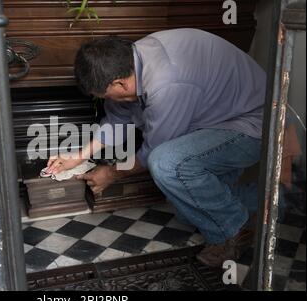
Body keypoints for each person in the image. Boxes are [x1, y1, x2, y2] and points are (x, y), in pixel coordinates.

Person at [46, 28, 266, 267]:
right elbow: (116, 120)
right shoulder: (130, 63)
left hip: (252, 124)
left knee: (166, 164)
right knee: (190, 209)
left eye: (105, 95)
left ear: (119, 83)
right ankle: (270, 201)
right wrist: (78, 156)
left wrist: (111, 173)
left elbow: (154, 151)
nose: (106, 101)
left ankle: (234, 231)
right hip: (212, 118)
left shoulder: (166, 83)